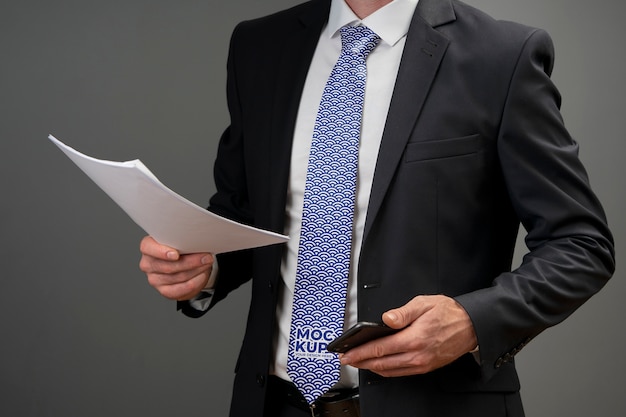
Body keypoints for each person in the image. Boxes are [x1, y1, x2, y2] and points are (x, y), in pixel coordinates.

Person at [139, 0, 615, 416]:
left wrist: (473, 321)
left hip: (435, 408)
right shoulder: (259, 46)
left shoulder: (501, 56)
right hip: (273, 403)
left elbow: (581, 245)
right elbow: (246, 212)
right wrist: (206, 267)